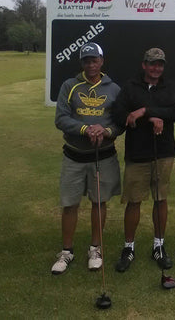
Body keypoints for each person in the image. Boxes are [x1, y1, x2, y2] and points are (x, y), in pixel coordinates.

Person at [51, 42, 122, 275]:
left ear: (102, 61)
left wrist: (106, 131)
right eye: (86, 61)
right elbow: (61, 118)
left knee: (99, 202)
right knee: (70, 204)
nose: (91, 65)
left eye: (94, 60)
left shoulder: (113, 89)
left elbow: (119, 122)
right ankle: (66, 251)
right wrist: (86, 129)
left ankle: (95, 248)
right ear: (81, 63)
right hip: (74, 156)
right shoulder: (70, 86)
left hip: (103, 156)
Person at [111, 48, 175, 273]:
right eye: (152, 64)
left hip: (163, 152)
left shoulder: (169, 86)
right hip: (137, 153)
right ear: (144, 65)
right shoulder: (130, 87)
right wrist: (140, 116)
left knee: (160, 199)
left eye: (160, 64)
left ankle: (158, 246)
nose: (156, 68)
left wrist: (145, 111)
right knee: (134, 201)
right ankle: (129, 247)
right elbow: (119, 115)